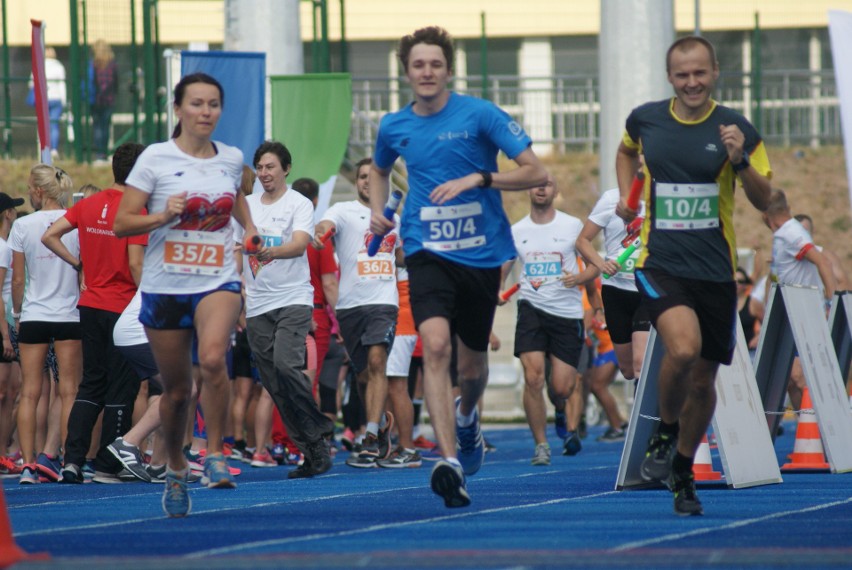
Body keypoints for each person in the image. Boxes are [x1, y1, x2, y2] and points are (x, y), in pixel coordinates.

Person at [368, 26, 547, 507]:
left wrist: (481, 178)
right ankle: (447, 461)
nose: (427, 72)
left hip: (481, 252)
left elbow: (536, 171)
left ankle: (468, 418)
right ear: (406, 72)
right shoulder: (393, 126)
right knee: (435, 344)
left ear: (448, 69)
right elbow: (381, 168)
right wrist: (378, 211)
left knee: (471, 370)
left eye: (435, 64)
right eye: (418, 65)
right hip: (425, 249)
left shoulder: (480, 114)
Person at [615, 36, 772, 516]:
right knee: (681, 346)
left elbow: (767, 200)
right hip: (660, 260)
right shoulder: (647, 120)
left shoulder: (737, 127)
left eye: (699, 73)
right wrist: (628, 198)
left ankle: (683, 468)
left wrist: (740, 160)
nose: (691, 83)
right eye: (682, 75)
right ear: (670, 77)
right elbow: (625, 152)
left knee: (704, 381)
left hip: (715, 271)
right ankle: (664, 431)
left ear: (715, 72)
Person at [114, 72, 258, 517]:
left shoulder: (231, 158)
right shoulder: (155, 159)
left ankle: (215, 452)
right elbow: (123, 222)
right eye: (196, 104)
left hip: (216, 278)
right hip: (165, 284)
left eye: (213, 104)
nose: (206, 112)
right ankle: (176, 466)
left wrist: (250, 228)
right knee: (177, 392)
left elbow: (235, 196)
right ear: (178, 109)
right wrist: (162, 216)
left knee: (214, 359)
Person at [41, 142, 147, 484]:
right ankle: (106, 464)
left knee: (91, 385)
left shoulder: (88, 205)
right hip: (123, 307)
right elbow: (135, 263)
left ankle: (72, 461)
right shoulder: (137, 212)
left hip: (90, 305)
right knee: (121, 388)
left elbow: (50, 235)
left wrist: (78, 263)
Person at [236, 140, 334, 479]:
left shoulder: (299, 202)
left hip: (293, 298)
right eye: (260, 168)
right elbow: (236, 248)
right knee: (274, 383)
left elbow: (299, 243)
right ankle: (312, 449)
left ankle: (320, 426)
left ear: (286, 169)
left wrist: (269, 253)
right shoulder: (245, 205)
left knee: (286, 365)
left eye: (271, 167)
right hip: (258, 303)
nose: (264, 173)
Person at [502, 174, 596, 465]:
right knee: (533, 378)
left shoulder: (571, 226)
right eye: (536, 183)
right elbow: (503, 266)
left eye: (547, 184)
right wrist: (496, 290)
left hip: (566, 314)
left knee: (562, 387)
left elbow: (595, 266)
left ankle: (559, 409)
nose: (541, 187)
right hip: (531, 307)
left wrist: (580, 279)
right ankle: (541, 444)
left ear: (556, 190)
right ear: (527, 187)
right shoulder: (517, 230)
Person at [314, 157, 402, 469]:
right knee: (364, 375)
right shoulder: (343, 210)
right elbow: (326, 226)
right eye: (362, 176)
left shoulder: (395, 218)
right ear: (357, 182)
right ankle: (381, 424)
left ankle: (370, 434)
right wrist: (320, 233)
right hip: (351, 306)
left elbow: (402, 256)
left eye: (373, 176)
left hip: (383, 302)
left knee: (378, 363)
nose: (367, 181)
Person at [10, 165, 82, 484]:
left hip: (35, 313)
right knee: (68, 391)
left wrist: (18, 312)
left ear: (39, 191)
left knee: (30, 393)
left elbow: (18, 278)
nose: (28, 193)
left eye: (29, 188)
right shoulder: (76, 222)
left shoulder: (23, 225)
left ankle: (27, 464)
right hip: (69, 313)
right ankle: (65, 461)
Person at [576, 183, 651, 405]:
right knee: (628, 369)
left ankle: (646, 428)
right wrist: (601, 264)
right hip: (616, 290)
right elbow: (582, 241)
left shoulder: (663, 194)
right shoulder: (612, 198)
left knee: (640, 363)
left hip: (648, 288)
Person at [764, 189, 835, 411]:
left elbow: (823, 262)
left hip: (805, 313)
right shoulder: (784, 233)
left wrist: (830, 304)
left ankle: (821, 432)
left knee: (799, 376)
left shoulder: (791, 233)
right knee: (788, 380)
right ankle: (806, 432)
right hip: (790, 315)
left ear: (765, 215)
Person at [0, 193, 22, 478]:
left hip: (4, 323)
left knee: (12, 392)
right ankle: (3, 453)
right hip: (3, 325)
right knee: (6, 393)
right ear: (7, 214)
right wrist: (6, 334)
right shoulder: (4, 248)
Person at [793, 213, 849, 292]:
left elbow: (844, 284)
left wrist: (829, 299)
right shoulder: (784, 256)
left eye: (805, 232)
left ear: (812, 232)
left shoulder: (827, 256)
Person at [91, 40, 118, 162]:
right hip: (108, 99)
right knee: (105, 126)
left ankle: (99, 153)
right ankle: (104, 152)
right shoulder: (112, 64)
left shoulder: (93, 63)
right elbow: (115, 81)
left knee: (97, 126)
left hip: (95, 99)